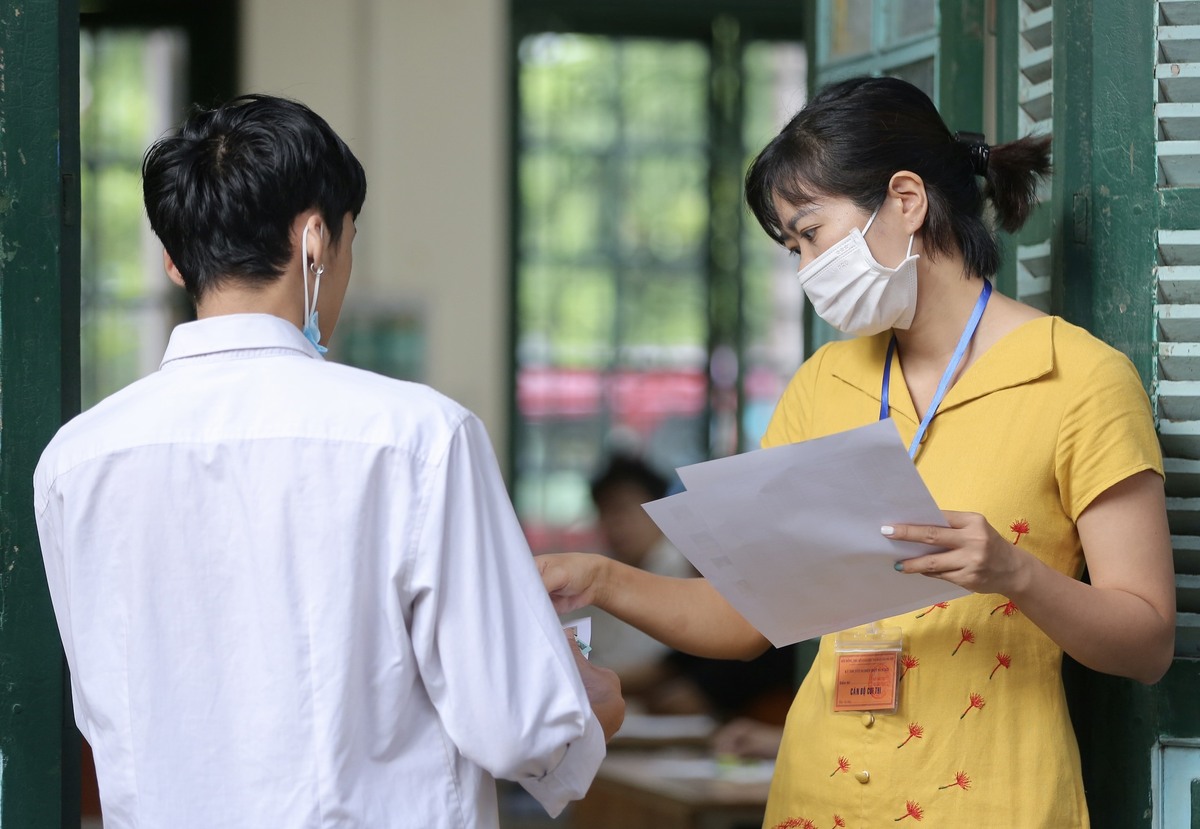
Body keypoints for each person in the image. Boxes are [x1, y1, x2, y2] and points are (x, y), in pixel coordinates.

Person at [538, 76, 1176, 828]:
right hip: (820, 798)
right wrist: (600, 577)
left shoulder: (1079, 378)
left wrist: (1016, 574)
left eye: (810, 234)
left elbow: (1147, 643)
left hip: (989, 801)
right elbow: (744, 619)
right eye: (792, 248)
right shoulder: (824, 383)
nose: (805, 268)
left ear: (906, 200)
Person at [34, 94, 623, 829]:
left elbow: (102, 716)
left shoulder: (75, 462)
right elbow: (519, 729)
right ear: (316, 238)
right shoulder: (419, 437)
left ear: (175, 261)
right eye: (349, 240)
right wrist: (588, 707)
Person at [570, 452, 796, 722]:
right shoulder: (606, 573)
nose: (614, 524)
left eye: (622, 510)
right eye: (604, 513)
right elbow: (666, 669)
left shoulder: (758, 613)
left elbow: (680, 696)